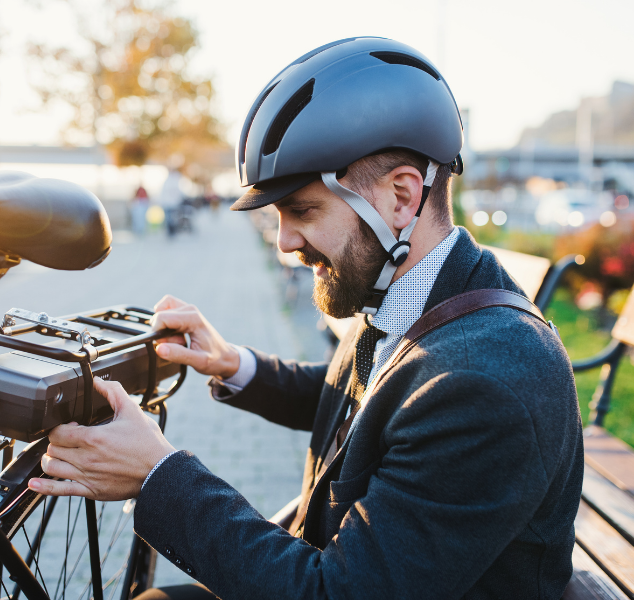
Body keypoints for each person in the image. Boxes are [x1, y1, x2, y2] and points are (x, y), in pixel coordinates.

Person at [29, 37, 582, 599]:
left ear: (401, 198)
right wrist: (235, 364)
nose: (284, 244)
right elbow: (371, 405)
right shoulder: (418, 294)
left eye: (302, 211)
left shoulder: (485, 381)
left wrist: (157, 475)